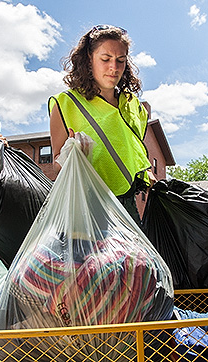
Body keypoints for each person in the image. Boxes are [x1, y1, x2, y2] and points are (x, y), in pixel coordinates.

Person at [49, 24, 156, 224]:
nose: (113, 68)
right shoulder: (65, 104)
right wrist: (69, 155)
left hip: (127, 204)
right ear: (89, 59)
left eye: (121, 60)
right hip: (86, 207)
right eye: (105, 59)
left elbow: (133, 150)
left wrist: (147, 172)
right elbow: (56, 165)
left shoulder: (133, 105)